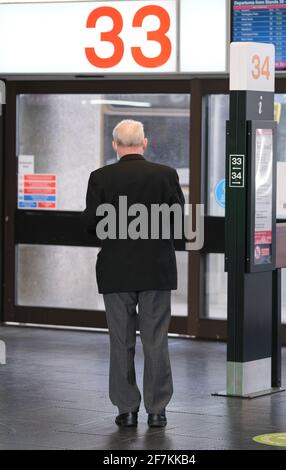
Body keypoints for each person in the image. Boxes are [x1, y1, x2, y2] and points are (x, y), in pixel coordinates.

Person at [81, 119, 185, 428]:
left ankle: (126, 410)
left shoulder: (100, 178)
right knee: (156, 340)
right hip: (156, 269)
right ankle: (157, 410)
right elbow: (178, 222)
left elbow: (90, 223)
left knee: (120, 340)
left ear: (115, 145)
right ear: (145, 143)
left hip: (115, 270)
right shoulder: (166, 176)